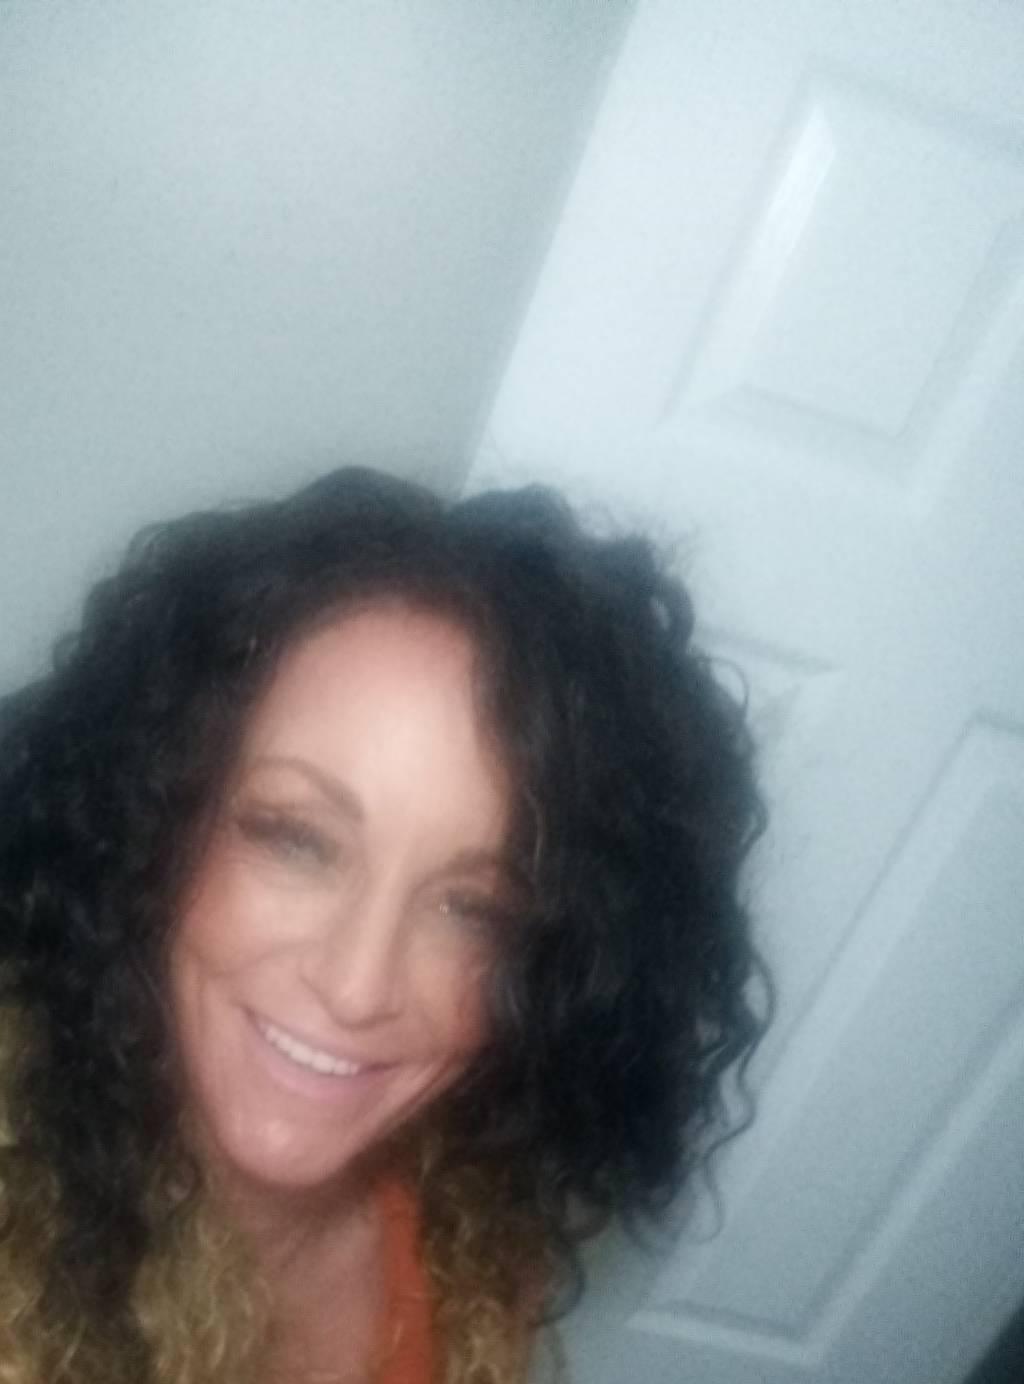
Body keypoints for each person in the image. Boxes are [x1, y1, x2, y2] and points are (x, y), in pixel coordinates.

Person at [0, 467, 767, 1384]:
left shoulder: (472, 1226)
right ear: (146, 818)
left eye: (471, 908)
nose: (357, 987)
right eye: (296, 839)